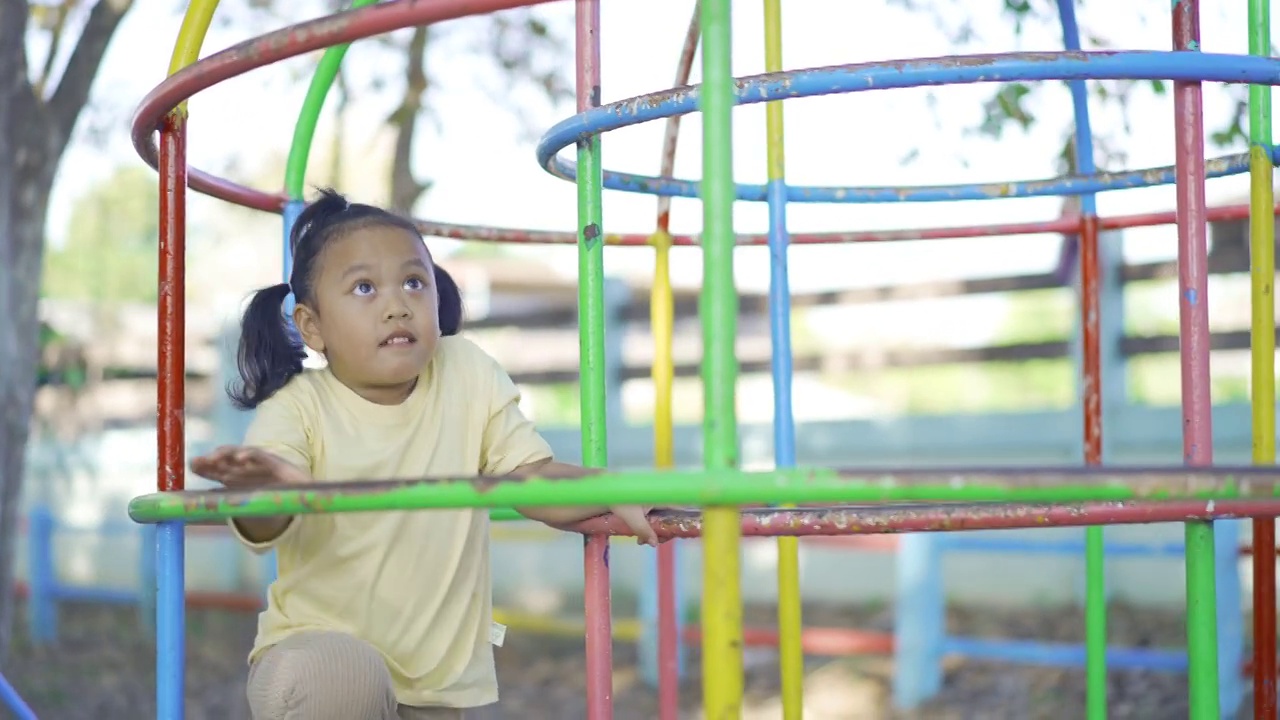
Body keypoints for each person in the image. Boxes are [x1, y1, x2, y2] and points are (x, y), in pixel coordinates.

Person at [189, 188, 658, 720]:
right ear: (312, 326)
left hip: (434, 686)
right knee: (334, 678)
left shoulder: (466, 372)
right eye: (364, 287)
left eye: (415, 282)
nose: (396, 304)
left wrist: (613, 489)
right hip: (317, 668)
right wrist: (266, 490)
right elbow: (272, 509)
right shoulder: (300, 407)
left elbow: (530, 478)